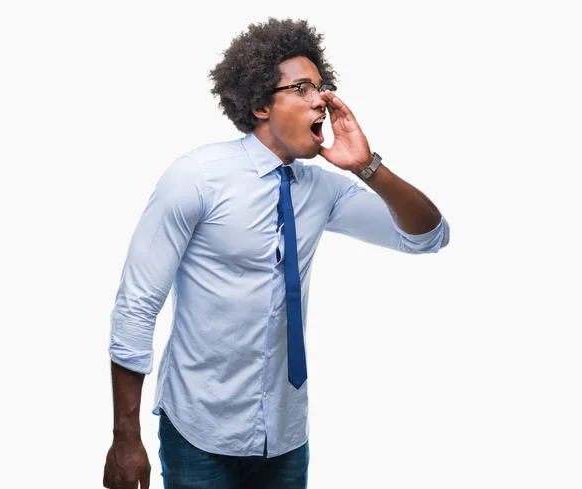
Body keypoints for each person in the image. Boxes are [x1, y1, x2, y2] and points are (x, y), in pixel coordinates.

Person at [103, 17, 450, 489]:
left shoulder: (322, 190)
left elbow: (428, 236)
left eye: (322, 87)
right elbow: (137, 304)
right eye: (303, 88)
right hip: (200, 429)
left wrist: (368, 168)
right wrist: (126, 437)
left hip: (285, 433)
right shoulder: (196, 178)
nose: (322, 102)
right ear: (259, 104)